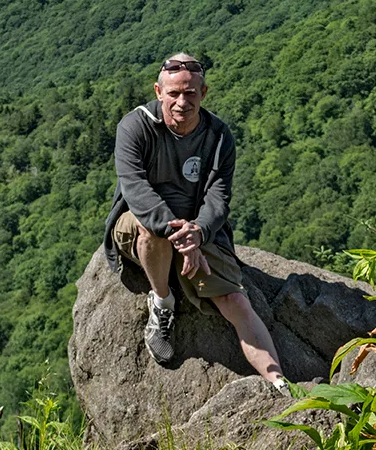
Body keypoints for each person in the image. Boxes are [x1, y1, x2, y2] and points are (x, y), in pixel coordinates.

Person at [102, 52, 288, 394]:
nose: (181, 102)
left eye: (190, 93)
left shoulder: (218, 137)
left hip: (196, 230)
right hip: (144, 224)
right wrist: (180, 235)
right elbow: (135, 189)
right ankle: (162, 302)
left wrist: (199, 232)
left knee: (236, 302)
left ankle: (280, 384)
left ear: (204, 93)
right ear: (159, 92)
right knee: (151, 233)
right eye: (173, 93)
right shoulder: (136, 126)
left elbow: (218, 199)